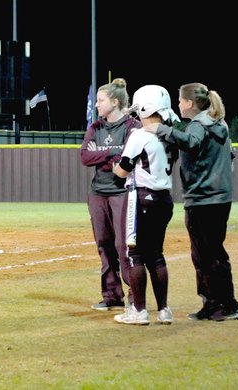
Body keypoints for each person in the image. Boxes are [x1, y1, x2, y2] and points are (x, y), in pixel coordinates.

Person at [150, 82, 238, 321]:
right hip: (220, 197)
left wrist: (160, 130)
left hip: (203, 199)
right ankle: (224, 303)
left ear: (189, 103)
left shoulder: (199, 124)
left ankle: (218, 305)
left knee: (205, 255)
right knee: (214, 253)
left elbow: (191, 142)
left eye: (180, 100)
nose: (178, 104)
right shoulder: (219, 124)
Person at [112, 85, 178, 325]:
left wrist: (113, 167)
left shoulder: (140, 135)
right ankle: (164, 310)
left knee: (135, 254)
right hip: (164, 198)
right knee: (156, 255)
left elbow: (122, 170)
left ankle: (139, 311)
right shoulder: (170, 133)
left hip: (141, 197)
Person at [80, 78, 140, 311]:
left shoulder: (131, 126)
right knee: (104, 244)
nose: (96, 105)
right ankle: (112, 296)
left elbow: (129, 155)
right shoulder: (95, 127)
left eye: (100, 100)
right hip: (98, 192)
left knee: (123, 245)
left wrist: (102, 152)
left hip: (122, 192)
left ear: (114, 102)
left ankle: (136, 296)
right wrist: (112, 153)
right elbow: (85, 157)